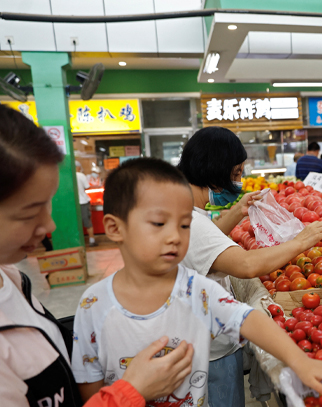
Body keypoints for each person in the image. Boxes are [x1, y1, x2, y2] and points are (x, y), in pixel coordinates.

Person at [71, 158, 322, 406]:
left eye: (184, 225)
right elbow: (90, 389)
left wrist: (300, 362)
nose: (175, 237)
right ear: (115, 228)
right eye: (158, 223)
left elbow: (249, 319)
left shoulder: (194, 288)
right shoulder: (93, 306)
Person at [0, 104, 195, 407]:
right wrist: (131, 391)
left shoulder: (10, 278)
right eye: (28, 213)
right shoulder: (95, 301)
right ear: (116, 228)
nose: (50, 225)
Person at [176, 127, 322, 406]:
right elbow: (245, 265)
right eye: (235, 173)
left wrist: (236, 211)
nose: (239, 181)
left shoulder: (186, 211)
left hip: (202, 341)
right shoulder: (190, 220)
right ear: (213, 171)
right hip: (210, 352)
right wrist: (301, 242)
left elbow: (207, 249)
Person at [76, 161, 97, 247]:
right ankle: (91, 241)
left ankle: (78, 243)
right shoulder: (81, 175)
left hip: (73, 204)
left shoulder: (67, 176)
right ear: (77, 167)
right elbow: (87, 187)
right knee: (87, 222)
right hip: (83, 202)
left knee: (77, 223)